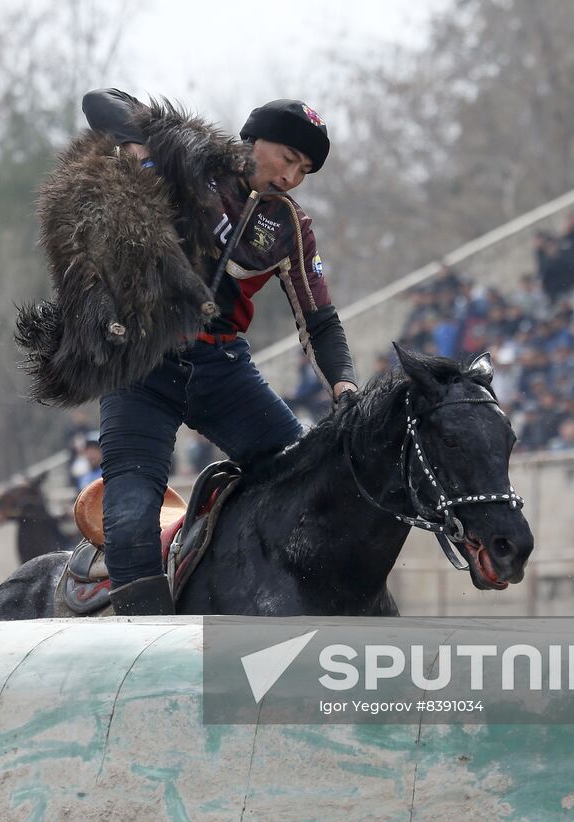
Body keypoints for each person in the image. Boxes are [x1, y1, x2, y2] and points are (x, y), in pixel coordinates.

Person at [81, 89, 358, 615]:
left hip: (222, 369)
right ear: (256, 140)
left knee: (305, 481)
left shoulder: (290, 226)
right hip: (140, 366)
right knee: (129, 517)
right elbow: (100, 101)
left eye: (304, 171)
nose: (292, 178)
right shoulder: (187, 163)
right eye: (289, 159)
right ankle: (143, 637)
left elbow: (319, 319)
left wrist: (344, 382)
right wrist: (143, 142)